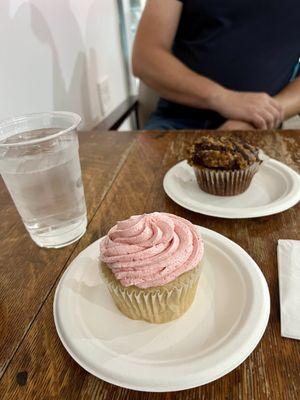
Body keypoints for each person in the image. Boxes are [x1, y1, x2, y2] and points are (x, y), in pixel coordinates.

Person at [132, 0, 300, 130]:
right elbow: (145, 58)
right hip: (177, 122)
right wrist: (224, 98)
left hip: (260, 126)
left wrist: (264, 114)